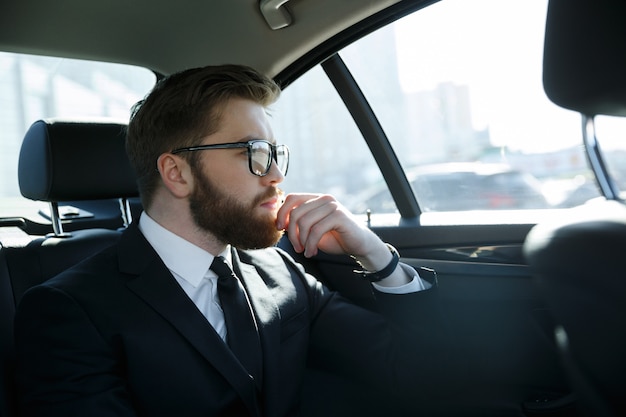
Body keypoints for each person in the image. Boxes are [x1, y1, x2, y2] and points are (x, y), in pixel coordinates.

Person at [14, 65, 446, 417]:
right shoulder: (69, 309)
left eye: (277, 155)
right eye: (255, 153)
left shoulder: (283, 272)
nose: (276, 174)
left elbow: (414, 374)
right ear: (177, 173)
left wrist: (373, 255)